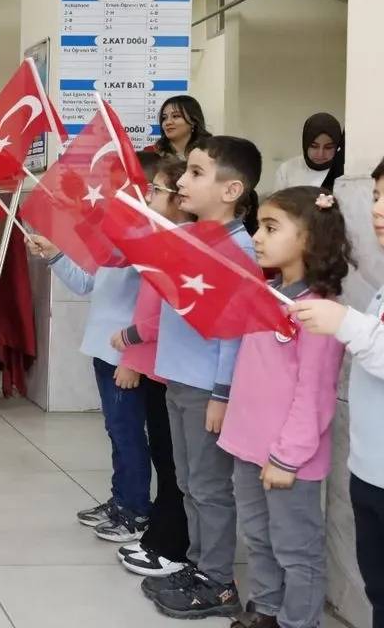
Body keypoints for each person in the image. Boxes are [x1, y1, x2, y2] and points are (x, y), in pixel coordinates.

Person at [217, 186, 351, 628]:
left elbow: (314, 396)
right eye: (258, 226)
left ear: (309, 238)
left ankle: (299, 621)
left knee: (296, 549)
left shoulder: (319, 312)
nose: (257, 237)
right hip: (247, 445)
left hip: (288, 458)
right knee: (258, 537)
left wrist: (286, 457)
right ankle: (267, 610)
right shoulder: (267, 292)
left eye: (271, 228)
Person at [141, 136, 262, 619]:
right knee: (187, 481)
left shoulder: (239, 249)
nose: (183, 183)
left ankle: (219, 581)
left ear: (231, 190)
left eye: (195, 173)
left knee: (210, 487)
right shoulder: (189, 236)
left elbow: (235, 331)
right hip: (177, 379)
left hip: (206, 387)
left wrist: (222, 394)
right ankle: (197, 564)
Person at [24, 152, 164, 543]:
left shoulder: (150, 241)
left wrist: (133, 358)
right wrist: (53, 254)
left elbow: (150, 308)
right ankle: (121, 500)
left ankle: (136, 511)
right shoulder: (118, 236)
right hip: (104, 348)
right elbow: (86, 283)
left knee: (128, 433)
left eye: (120, 187)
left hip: (127, 354)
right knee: (116, 430)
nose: (109, 194)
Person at [289, 155, 384, 628]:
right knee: (378, 588)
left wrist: (346, 323)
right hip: (370, 471)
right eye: (377, 196)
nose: (378, 210)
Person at [109, 156, 193, 579]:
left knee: (173, 462)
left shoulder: (185, 246)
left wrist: (130, 342)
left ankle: (172, 544)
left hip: (172, 366)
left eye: (157, 189)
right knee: (165, 455)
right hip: (162, 366)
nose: (149, 195)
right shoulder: (164, 240)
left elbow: (164, 315)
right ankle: (160, 536)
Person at [273, 113, 344, 192]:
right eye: (314, 146)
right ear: (305, 144)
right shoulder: (287, 170)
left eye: (328, 147)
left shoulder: (344, 172)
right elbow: (277, 200)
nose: (320, 154)